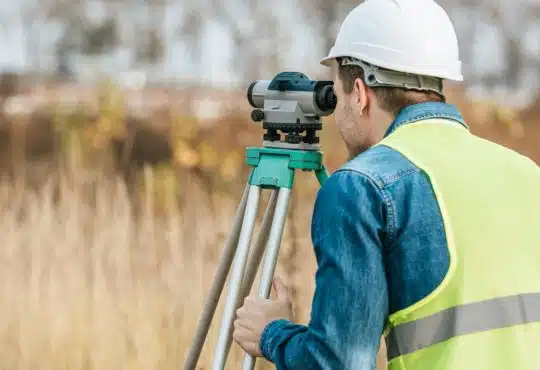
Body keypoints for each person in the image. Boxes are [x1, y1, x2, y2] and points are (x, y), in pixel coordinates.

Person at [232, 0, 540, 369]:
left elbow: (340, 363)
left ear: (359, 93)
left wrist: (271, 333)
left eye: (338, 94)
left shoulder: (361, 188)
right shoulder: (526, 173)